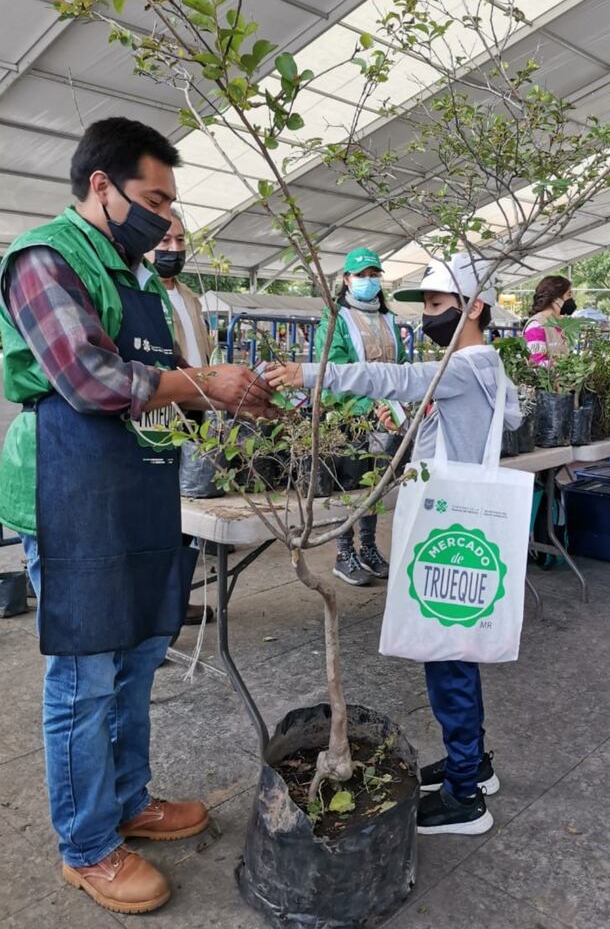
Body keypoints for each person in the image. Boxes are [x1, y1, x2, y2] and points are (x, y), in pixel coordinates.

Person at [0, 117, 275, 914]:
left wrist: (235, 393)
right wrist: (203, 385)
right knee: (86, 671)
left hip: (139, 483)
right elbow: (89, 379)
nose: (164, 217)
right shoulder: (44, 260)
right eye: (153, 198)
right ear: (101, 186)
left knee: (136, 659)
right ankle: (86, 846)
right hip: (71, 487)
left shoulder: (139, 277)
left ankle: (127, 801)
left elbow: (163, 374)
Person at [267, 252, 521, 835]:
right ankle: (473, 765)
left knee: (447, 652)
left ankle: (465, 797)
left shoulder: (465, 365)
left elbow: (393, 377)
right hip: (458, 524)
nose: (427, 316)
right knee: (453, 649)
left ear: (473, 308)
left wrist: (309, 373)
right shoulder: (476, 369)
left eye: (437, 305)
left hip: (451, 530)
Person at [315, 247, 407, 586]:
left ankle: (368, 546)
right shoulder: (335, 319)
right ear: (346, 280)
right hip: (348, 415)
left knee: (376, 484)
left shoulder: (389, 320)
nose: (368, 281)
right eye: (361, 275)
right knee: (348, 482)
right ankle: (344, 552)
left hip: (385, 415)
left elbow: (399, 367)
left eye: (374, 275)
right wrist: (364, 406)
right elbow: (333, 371)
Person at [146, 207, 216, 626]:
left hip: (198, 411)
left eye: (179, 241)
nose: (173, 249)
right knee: (160, 509)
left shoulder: (189, 297)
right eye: (164, 242)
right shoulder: (142, 292)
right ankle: (156, 608)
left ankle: (176, 599)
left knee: (186, 512)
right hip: (163, 412)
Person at [522, 275, 575, 365]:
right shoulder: (536, 325)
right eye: (569, 294)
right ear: (556, 300)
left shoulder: (558, 325)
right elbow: (537, 364)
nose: (572, 299)